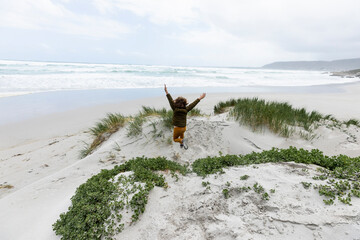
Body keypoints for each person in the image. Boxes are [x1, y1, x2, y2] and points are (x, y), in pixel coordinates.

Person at [164, 84, 206, 149]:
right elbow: (193, 104)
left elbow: (170, 100)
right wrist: (200, 98)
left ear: (176, 103)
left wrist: (166, 91)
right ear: (184, 104)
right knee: (181, 135)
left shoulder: (174, 109)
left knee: (175, 139)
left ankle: (182, 141)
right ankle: (182, 144)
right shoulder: (186, 109)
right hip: (184, 128)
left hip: (177, 128)